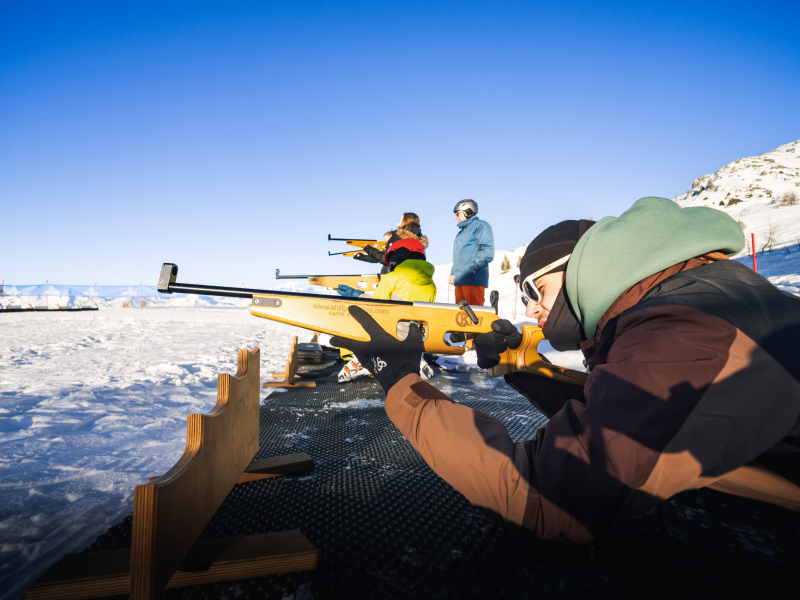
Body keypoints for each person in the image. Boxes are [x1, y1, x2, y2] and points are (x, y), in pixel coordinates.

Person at [331, 196, 800, 543]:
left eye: (534, 290)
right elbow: (622, 411)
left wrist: (400, 382)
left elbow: (546, 498)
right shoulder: (699, 300)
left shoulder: (684, 333)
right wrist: (517, 365)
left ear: (581, 269)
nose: (530, 309)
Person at [336, 238, 437, 383]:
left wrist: (356, 295)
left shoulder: (391, 278)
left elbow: (375, 307)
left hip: (389, 336)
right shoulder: (431, 284)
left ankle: (362, 361)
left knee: (354, 316)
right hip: (414, 338)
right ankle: (413, 361)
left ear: (398, 256)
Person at [449, 199, 494, 306]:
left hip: (473, 280)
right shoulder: (460, 233)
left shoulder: (481, 226)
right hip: (460, 280)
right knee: (459, 313)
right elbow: (458, 256)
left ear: (468, 212)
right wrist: (453, 273)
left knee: (474, 312)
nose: (455, 217)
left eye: (458, 214)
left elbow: (487, 250)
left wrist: (472, 268)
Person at [356, 213, 429, 275]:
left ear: (405, 222)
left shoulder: (398, 237)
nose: (397, 224)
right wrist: (361, 256)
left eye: (399, 221)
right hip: (417, 275)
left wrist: (367, 248)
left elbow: (385, 258)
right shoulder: (419, 240)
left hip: (397, 276)